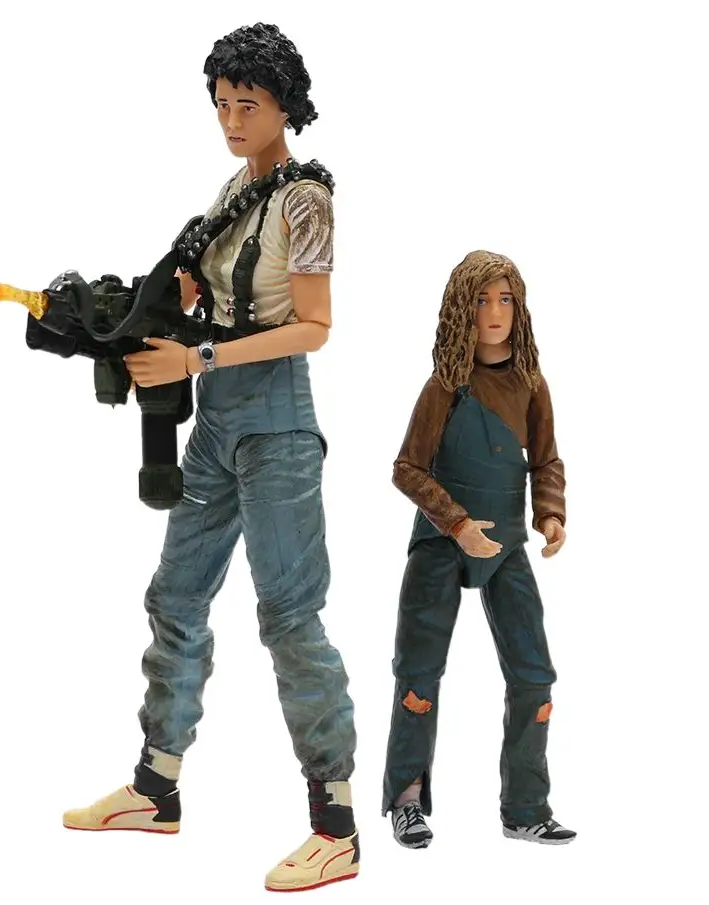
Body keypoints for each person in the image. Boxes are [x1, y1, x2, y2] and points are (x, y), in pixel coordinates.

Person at [63, 23, 360, 892]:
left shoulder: (304, 200)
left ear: (284, 106)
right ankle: (156, 786)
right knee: (177, 594)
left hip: (276, 422)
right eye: (223, 103)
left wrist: (194, 358)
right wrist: (118, 317)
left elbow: (315, 327)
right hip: (219, 421)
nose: (232, 120)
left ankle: (336, 824)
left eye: (248, 104)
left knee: (290, 615)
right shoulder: (235, 190)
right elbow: (197, 290)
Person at [382, 250, 576, 847]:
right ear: (461, 309)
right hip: (439, 547)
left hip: (508, 547)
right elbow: (407, 469)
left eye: (505, 299)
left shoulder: (531, 384)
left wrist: (550, 513)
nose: (495, 312)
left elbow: (546, 460)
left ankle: (526, 808)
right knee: (418, 672)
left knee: (534, 676)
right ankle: (407, 801)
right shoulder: (444, 386)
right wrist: (456, 523)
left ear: (520, 308)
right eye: (483, 300)